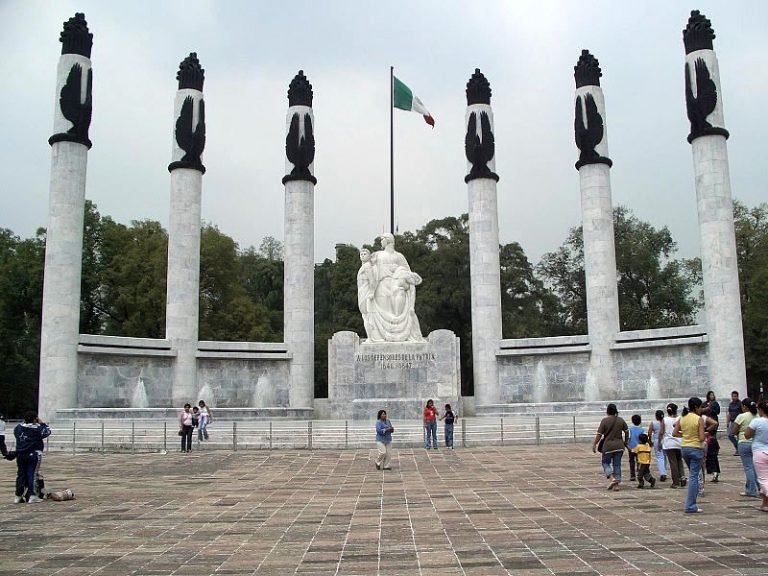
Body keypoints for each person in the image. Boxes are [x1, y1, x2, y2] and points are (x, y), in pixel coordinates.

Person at [359, 233, 425, 343]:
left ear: (388, 240)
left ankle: (409, 336)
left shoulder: (399, 257)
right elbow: (368, 268)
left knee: (399, 315)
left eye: (382, 239)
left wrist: (404, 282)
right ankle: (377, 337)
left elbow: (409, 275)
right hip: (381, 288)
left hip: (396, 287)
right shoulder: (377, 255)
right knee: (380, 314)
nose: (381, 242)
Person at [673, 397, 705, 513]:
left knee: (693, 474)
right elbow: (701, 437)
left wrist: (686, 436)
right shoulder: (698, 419)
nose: (702, 409)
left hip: (685, 448)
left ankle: (691, 504)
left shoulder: (682, 418)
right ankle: (690, 505)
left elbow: (674, 432)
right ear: (696, 407)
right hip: (696, 448)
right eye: (700, 407)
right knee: (694, 476)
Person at [13, 411, 52, 504]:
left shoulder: (18, 428)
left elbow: (16, 435)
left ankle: (18, 495)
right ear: (35, 419)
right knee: (32, 474)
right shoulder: (37, 429)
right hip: (33, 454)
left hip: (20, 454)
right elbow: (47, 431)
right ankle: (33, 495)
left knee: (21, 475)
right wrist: (42, 423)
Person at [592, 403, 628, 491]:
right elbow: (627, 431)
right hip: (619, 446)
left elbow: (599, 435)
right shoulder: (621, 420)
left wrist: (594, 444)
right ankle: (616, 485)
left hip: (608, 446)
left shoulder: (604, 421)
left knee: (605, 463)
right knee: (617, 464)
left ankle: (612, 478)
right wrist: (626, 441)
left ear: (607, 411)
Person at [744, 400, 768, 512]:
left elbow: (747, 435)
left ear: (761, 410)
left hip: (760, 451)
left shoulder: (757, 421)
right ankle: (765, 503)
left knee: (763, 479)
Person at [733, 398, 759, 498]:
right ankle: (760, 488)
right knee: (756, 467)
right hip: (756, 442)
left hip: (744, 442)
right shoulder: (757, 415)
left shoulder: (741, 416)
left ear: (744, 407)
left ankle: (751, 490)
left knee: (748, 467)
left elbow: (734, 431)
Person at [660, 403, 685, 488]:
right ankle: (682, 477)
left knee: (673, 463)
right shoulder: (680, 418)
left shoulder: (665, 419)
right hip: (679, 442)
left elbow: (661, 432)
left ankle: (676, 482)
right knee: (679, 460)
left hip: (669, 443)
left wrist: (660, 442)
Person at [647, 410, 667, 481]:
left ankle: (662, 473)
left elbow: (649, 432)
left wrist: (649, 440)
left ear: (656, 416)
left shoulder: (653, 423)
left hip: (657, 440)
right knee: (664, 457)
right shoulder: (665, 422)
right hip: (665, 440)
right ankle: (665, 472)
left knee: (659, 457)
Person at [703, 412, 721, 483]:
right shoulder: (714, 439)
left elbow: (705, 448)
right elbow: (718, 447)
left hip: (709, 455)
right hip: (714, 455)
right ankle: (716, 474)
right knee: (715, 465)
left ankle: (714, 474)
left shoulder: (708, 440)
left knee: (711, 466)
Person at [627, 414, 644, 482]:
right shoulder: (642, 430)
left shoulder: (630, 429)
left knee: (631, 461)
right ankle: (639, 473)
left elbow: (628, 438)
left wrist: (627, 446)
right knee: (639, 461)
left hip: (631, 448)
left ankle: (632, 475)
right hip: (639, 448)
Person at [726, 390, 741, 454]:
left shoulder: (740, 403)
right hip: (732, 421)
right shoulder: (731, 404)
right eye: (732, 396)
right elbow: (729, 413)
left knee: (738, 436)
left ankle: (739, 450)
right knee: (730, 435)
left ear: (737, 396)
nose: (733, 397)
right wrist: (727, 422)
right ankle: (737, 446)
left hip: (738, 422)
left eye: (735, 396)